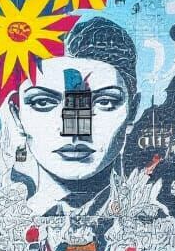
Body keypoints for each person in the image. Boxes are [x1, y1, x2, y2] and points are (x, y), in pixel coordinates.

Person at [9, 17, 140, 213]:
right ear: (17, 116)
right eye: (43, 102)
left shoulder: (158, 222)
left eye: (104, 102)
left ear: (133, 111)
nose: (74, 130)